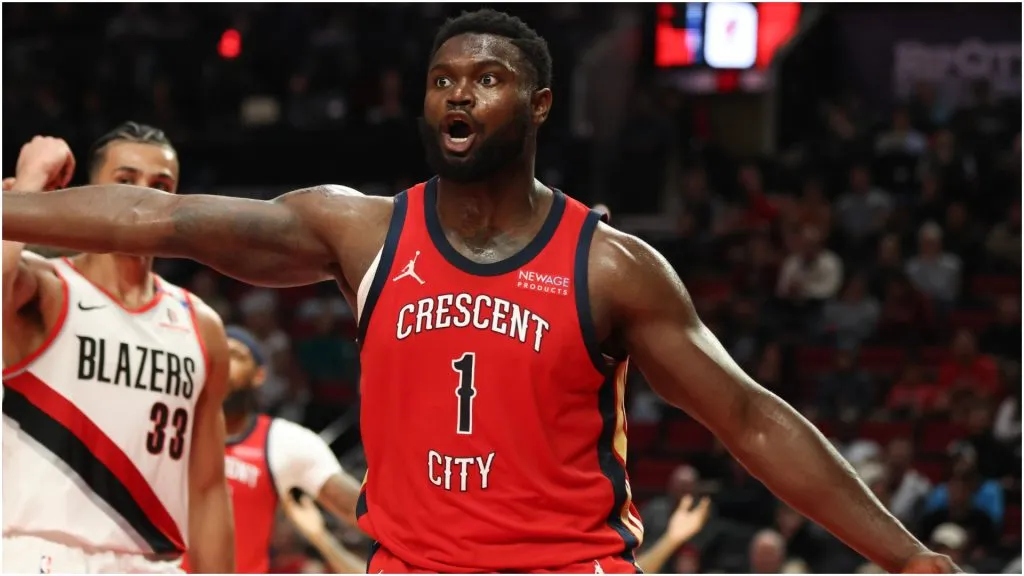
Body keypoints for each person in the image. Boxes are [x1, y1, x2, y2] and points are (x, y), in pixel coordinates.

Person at [2, 9, 959, 574]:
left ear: (538, 106)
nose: (458, 94)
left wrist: (907, 556)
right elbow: (162, 220)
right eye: (442, 80)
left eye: (488, 78)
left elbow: (747, 418)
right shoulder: (361, 231)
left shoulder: (609, 265)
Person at [2, 128, 233, 573]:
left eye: (160, 185)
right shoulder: (46, 288)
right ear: (93, 192)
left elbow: (207, 490)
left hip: (153, 562)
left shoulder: (200, 324)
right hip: (43, 555)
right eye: (125, 181)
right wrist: (27, 186)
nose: (143, 196)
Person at [179, 326, 365, 573]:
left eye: (235, 355)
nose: (223, 362)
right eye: (216, 354)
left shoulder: (286, 441)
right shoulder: (169, 428)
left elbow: (364, 513)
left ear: (259, 375)